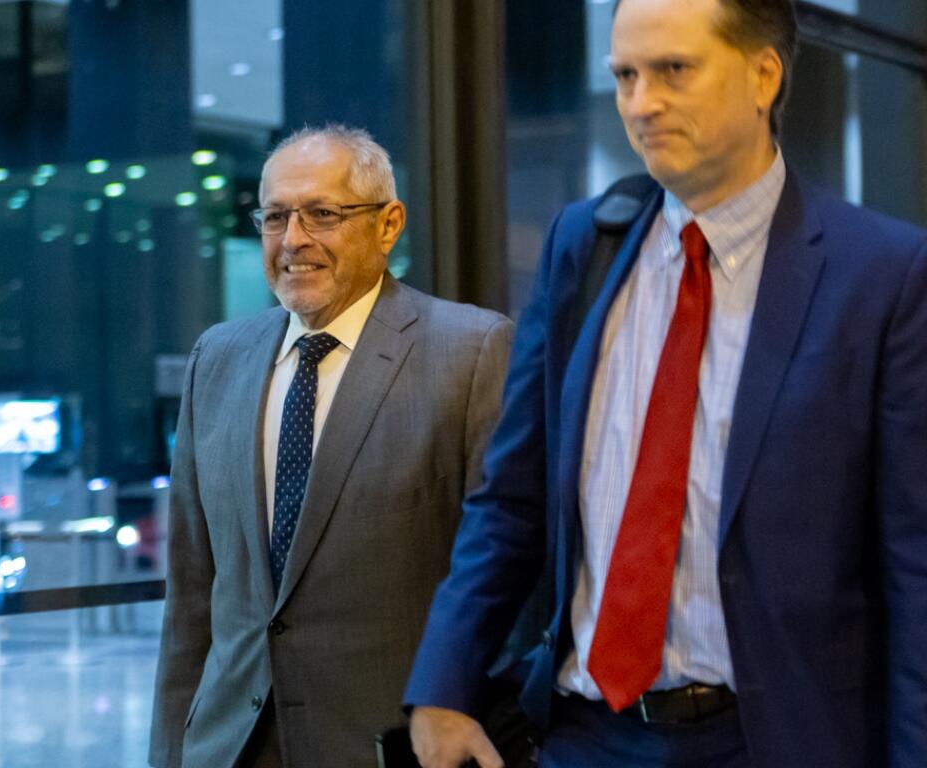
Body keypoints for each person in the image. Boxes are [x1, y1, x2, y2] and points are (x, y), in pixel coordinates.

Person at [405, 0, 927, 766]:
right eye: (624, 76)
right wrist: (442, 687)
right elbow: (512, 496)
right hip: (584, 734)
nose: (641, 105)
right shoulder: (584, 245)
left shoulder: (881, 277)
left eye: (673, 71)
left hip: (775, 739)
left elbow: (916, 566)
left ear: (762, 75)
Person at [149, 125, 514, 768]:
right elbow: (192, 597)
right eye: (275, 217)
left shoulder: (473, 353)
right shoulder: (217, 360)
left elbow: (512, 574)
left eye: (322, 214)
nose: (294, 240)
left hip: (389, 747)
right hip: (230, 748)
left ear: (388, 224)